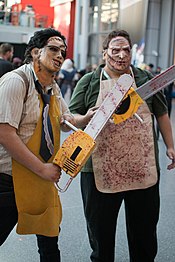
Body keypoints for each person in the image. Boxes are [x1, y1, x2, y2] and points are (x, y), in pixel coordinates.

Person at [69, 30, 175, 262]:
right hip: (98, 171)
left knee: (144, 237)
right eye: (115, 50)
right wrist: (84, 118)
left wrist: (170, 146)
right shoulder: (89, 81)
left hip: (142, 167)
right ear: (104, 53)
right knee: (101, 238)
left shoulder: (146, 79)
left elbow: (162, 113)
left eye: (126, 50)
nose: (121, 55)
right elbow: (68, 119)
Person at [0, 28, 75, 261]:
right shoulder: (15, 81)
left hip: (41, 177)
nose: (60, 55)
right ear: (34, 52)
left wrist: (90, 116)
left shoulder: (52, 87)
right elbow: (4, 133)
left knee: (50, 239)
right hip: (8, 179)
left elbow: (66, 121)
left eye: (63, 51)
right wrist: (43, 169)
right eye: (53, 49)